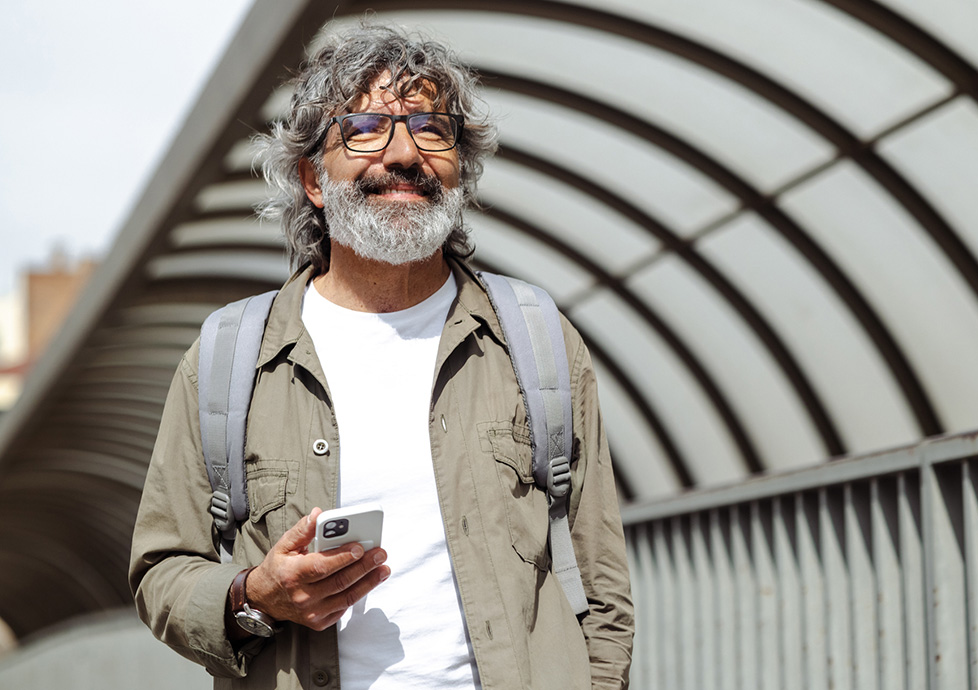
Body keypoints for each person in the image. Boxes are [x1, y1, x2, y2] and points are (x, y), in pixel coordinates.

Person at [129, 24, 634, 690]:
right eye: (364, 129)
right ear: (312, 177)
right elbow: (161, 571)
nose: (404, 154)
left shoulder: (536, 342)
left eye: (432, 129)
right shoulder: (229, 361)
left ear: (461, 169)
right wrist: (255, 593)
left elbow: (603, 590)